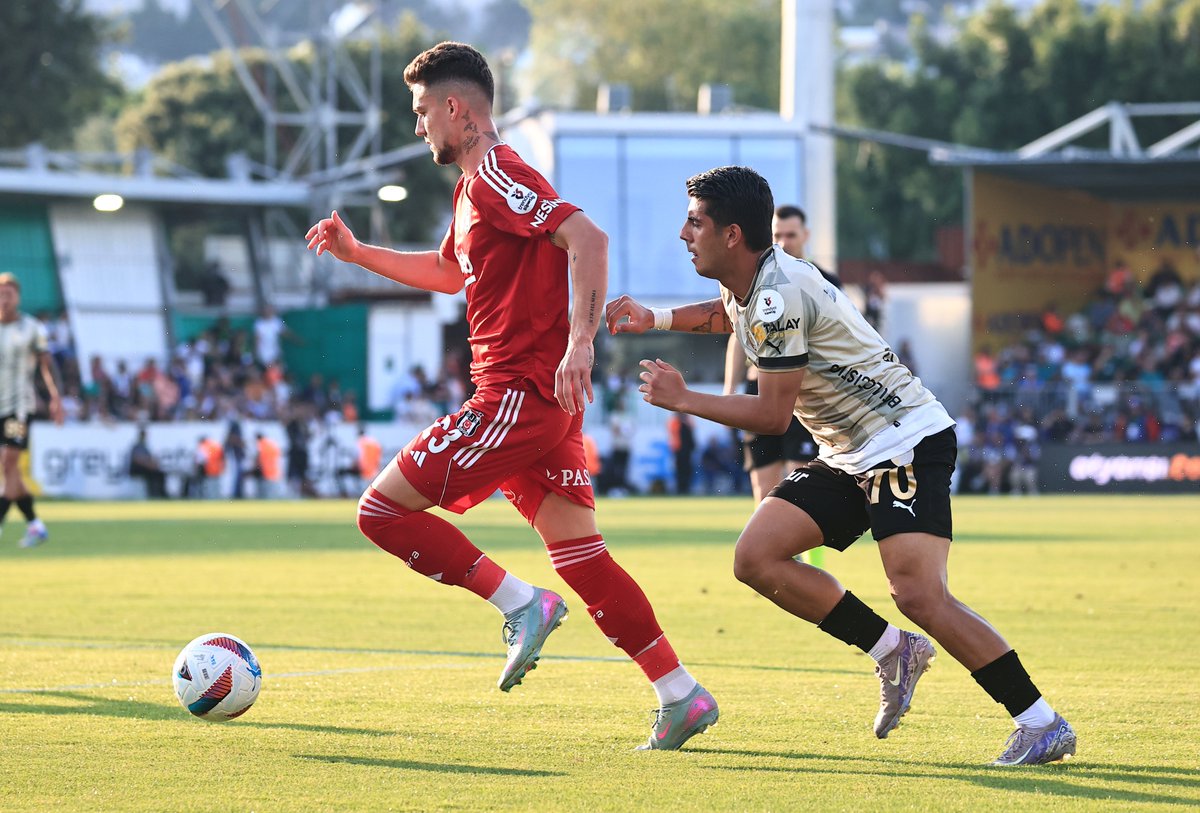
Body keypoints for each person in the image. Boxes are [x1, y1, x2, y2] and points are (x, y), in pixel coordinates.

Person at [304, 41, 715, 750]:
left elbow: (587, 237)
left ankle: (520, 602)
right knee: (582, 553)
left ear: (457, 109)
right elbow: (446, 270)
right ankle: (680, 693)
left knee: (380, 509)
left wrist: (581, 343)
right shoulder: (473, 189)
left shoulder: (495, 171)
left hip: (517, 394)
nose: (419, 125)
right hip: (539, 401)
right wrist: (359, 252)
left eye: (423, 109)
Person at [604, 165, 1075, 766]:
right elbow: (730, 317)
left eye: (695, 221)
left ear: (732, 234)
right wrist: (659, 319)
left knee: (920, 596)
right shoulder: (753, 281)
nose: (682, 233)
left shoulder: (775, 293)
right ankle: (892, 651)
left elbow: (775, 417)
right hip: (851, 451)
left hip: (902, 440)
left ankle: (1041, 722)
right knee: (757, 557)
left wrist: (684, 398)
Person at [724, 205, 827, 562]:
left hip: (803, 395)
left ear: (806, 236)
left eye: (790, 235)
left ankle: (812, 571)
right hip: (758, 390)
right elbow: (737, 335)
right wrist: (729, 391)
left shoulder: (820, 280)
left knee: (801, 483)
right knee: (763, 487)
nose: (783, 242)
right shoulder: (753, 283)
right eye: (777, 235)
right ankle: (778, 566)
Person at [0, 274, 64, 546]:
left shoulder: (31, 328)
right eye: (1, 293)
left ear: (18, 297)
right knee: (11, 472)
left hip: (19, 407)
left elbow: (46, 366)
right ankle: (35, 525)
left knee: (9, 462)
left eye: (10, 293)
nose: (5, 298)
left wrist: (55, 397)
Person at [128, 428, 167, 499]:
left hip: (145, 468)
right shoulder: (137, 446)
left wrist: (154, 464)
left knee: (159, 474)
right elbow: (138, 460)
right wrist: (150, 465)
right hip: (137, 470)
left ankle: (159, 493)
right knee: (154, 474)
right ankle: (154, 494)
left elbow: (150, 458)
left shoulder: (145, 446)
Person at [666, 412, 695, 495]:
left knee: (686, 470)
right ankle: (681, 488)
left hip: (685, 450)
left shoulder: (686, 423)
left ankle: (685, 488)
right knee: (680, 470)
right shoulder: (676, 423)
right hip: (679, 450)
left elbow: (690, 437)